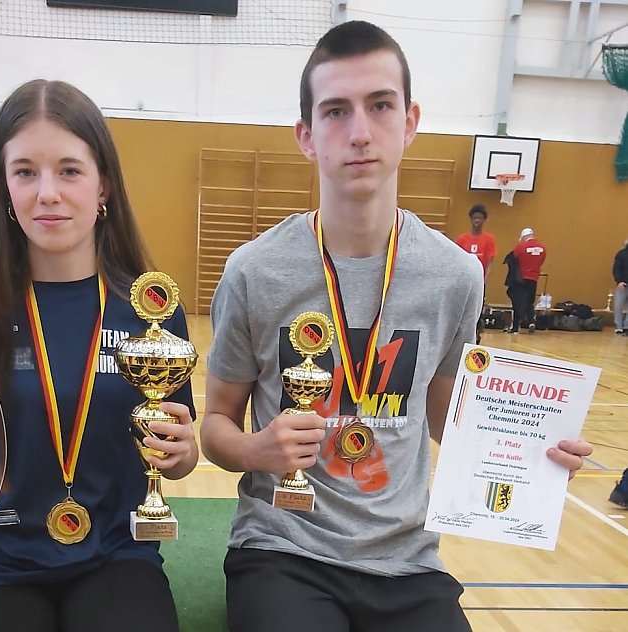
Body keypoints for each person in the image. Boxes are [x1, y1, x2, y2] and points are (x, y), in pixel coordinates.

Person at [200, 21, 593, 632]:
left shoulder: (456, 275)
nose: (359, 132)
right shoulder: (256, 271)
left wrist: (527, 449)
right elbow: (215, 425)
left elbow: (444, 417)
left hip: (408, 561)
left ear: (409, 121)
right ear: (306, 136)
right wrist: (256, 448)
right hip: (285, 550)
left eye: (379, 106)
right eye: (335, 112)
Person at [0, 80, 198, 632]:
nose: (47, 192)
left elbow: (176, 457)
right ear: (4, 185)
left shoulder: (152, 309)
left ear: (103, 183)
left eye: (69, 170)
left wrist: (180, 454)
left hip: (118, 557)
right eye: (25, 171)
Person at [455, 203, 496, 342]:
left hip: (479, 282)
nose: (477, 221)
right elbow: (457, 260)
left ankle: (476, 333)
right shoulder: (462, 239)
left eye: (480, 218)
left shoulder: (489, 239)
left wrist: (484, 281)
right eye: (475, 218)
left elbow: (490, 262)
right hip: (464, 281)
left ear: (484, 220)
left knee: (477, 310)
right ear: (471, 219)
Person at [509, 227, 547, 334]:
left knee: (518, 302)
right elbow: (541, 260)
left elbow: (513, 259)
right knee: (530, 302)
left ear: (524, 237)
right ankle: (531, 321)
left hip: (521, 279)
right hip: (534, 279)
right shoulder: (542, 248)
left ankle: (515, 327)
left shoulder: (521, 247)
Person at [612, 239, 628, 334]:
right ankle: (619, 326)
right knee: (618, 305)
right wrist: (619, 281)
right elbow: (616, 268)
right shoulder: (621, 254)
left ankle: (627, 326)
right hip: (623, 284)